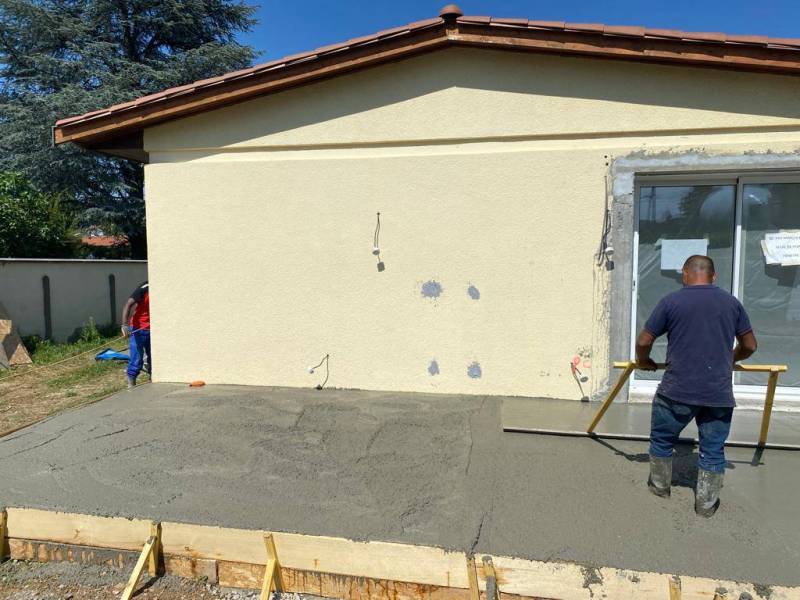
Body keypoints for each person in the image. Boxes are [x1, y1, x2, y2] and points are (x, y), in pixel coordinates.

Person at [635, 255, 757, 517]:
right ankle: (706, 504)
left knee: (662, 439)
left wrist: (644, 362)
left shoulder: (671, 302)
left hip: (677, 390)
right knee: (713, 448)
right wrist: (731, 357)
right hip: (718, 393)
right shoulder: (731, 303)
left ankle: (659, 488)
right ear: (713, 277)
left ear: (685, 275)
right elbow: (750, 346)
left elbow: (644, 341)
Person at [121, 281, 150, 389]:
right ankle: (131, 382)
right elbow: (128, 305)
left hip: (154, 330)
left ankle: (152, 378)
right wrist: (124, 325)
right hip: (139, 328)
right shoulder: (145, 288)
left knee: (153, 358)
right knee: (136, 357)